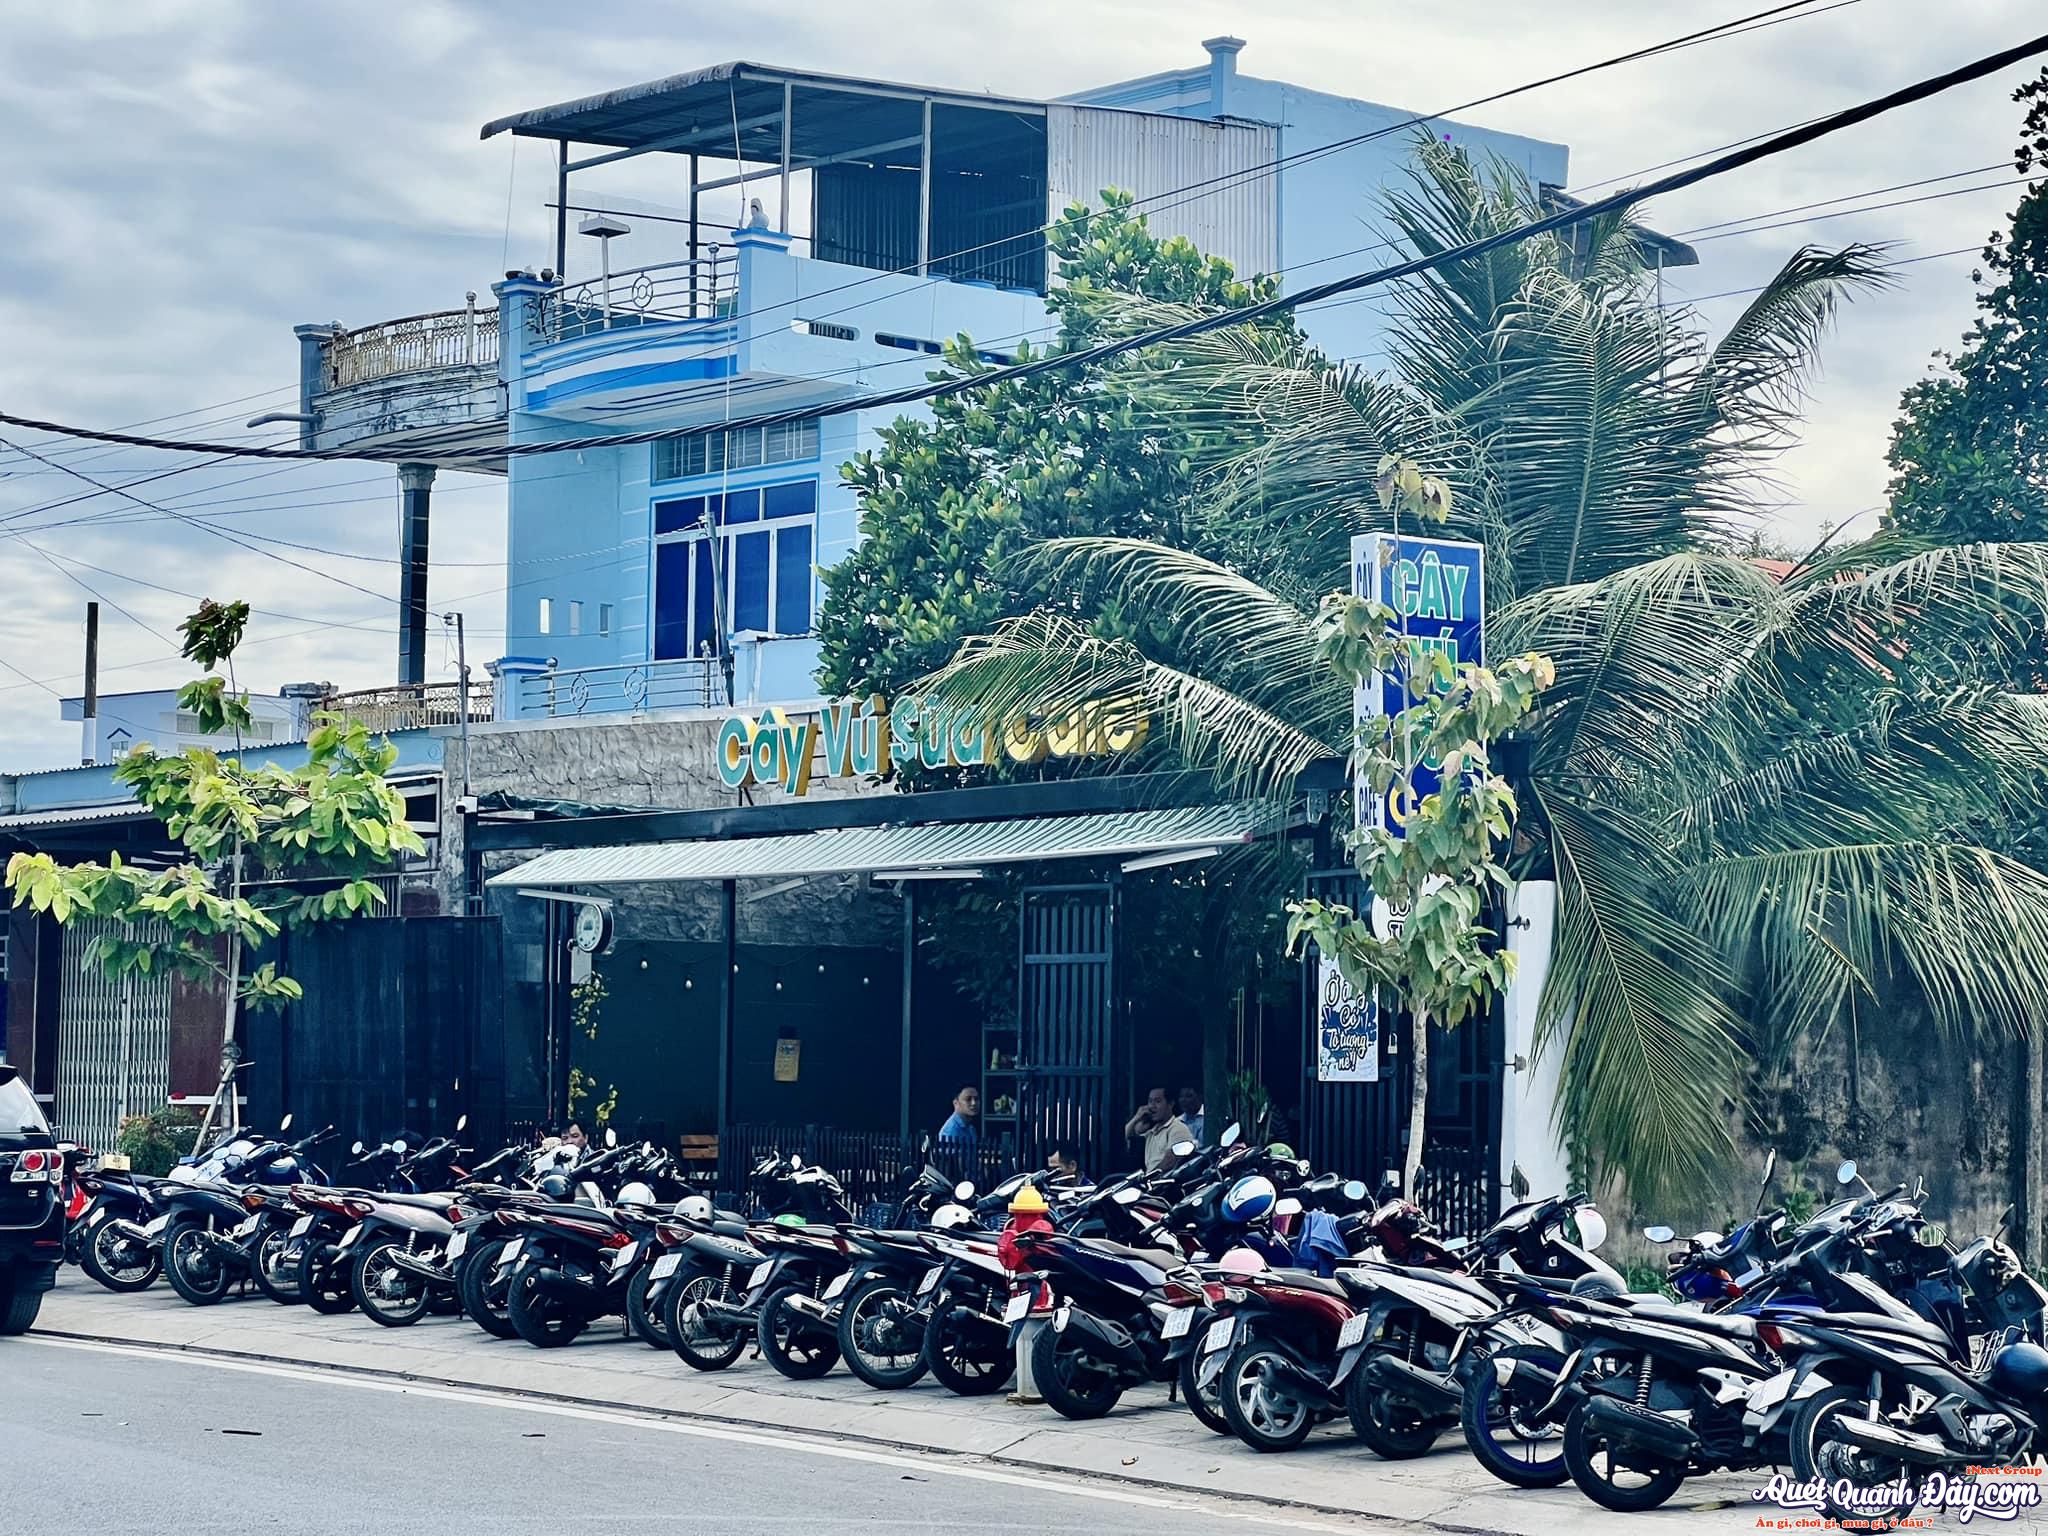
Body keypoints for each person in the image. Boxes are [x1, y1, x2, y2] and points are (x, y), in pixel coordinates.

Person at [1124, 1086, 1194, 1174]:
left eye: (1157, 1101)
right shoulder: (1152, 1131)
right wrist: (1137, 1117)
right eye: (1150, 1101)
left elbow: (1169, 1163)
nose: (1152, 1106)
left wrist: (1149, 1178)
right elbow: (1127, 1134)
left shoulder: (1178, 1129)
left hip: (1164, 1180)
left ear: (1170, 1104)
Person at [936, 1085, 979, 1166]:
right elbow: (953, 1165)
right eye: (968, 1099)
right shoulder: (950, 1130)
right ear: (956, 1103)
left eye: (976, 1099)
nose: (974, 1103)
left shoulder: (971, 1128)